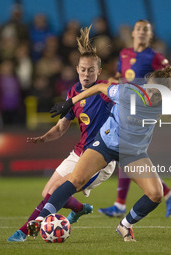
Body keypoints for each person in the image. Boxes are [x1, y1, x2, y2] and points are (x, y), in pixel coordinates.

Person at [29, 66, 171, 242]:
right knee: (76, 180)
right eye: (151, 89)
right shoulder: (127, 92)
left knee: (156, 194)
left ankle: (125, 225)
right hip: (106, 143)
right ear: (147, 84)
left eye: (159, 92)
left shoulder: (167, 103)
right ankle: (39, 220)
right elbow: (99, 87)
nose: (152, 95)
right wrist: (70, 102)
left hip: (133, 152)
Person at [7, 26, 116, 242]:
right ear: (77, 69)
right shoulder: (73, 92)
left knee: (58, 189)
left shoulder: (105, 90)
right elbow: (61, 127)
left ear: (99, 72)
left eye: (91, 70)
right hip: (79, 152)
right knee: (47, 192)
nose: (86, 74)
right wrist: (45, 137)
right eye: (83, 69)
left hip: (100, 159)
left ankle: (25, 231)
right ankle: (79, 208)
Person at [102, 20, 171, 218]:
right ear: (133, 33)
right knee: (127, 155)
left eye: (145, 30)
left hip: (143, 110)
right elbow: (121, 76)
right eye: (139, 29)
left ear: (150, 35)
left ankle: (121, 204)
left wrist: (166, 103)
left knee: (127, 154)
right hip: (126, 106)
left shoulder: (156, 57)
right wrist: (114, 82)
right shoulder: (124, 54)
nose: (141, 33)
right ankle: (168, 194)